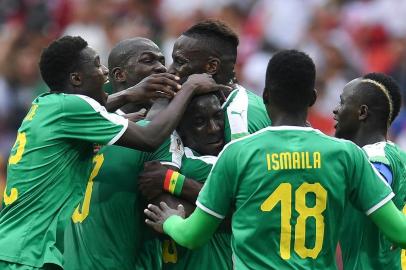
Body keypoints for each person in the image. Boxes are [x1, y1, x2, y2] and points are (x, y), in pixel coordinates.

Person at [144, 50, 406, 269]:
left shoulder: (238, 154)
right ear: (313, 98)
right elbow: (400, 232)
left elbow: (192, 236)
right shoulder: (347, 155)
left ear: (266, 95)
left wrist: (169, 221)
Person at [0, 35, 223, 270]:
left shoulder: (46, 105)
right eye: (97, 64)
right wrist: (188, 87)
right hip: (27, 253)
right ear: (76, 78)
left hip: (21, 247)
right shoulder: (73, 108)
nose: (103, 71)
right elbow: (149, 137)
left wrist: (129, 95)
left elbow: (97, 111)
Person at [62, 37, 184, 270]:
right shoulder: (82, 127)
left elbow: (163, 204)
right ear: (119, 75)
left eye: (162, 61)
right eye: (148, 60)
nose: (160, 67)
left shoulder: (168, 130)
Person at [139, 93, 232, 269]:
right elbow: (243, 210)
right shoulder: (200, 166)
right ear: (179, 127)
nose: (214, 128)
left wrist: (170, 180)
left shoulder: (167, 168)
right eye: (199, 122)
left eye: (218, 117)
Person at [334, 73, 406, 270]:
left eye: (342, 103)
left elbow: (377, 181)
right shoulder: (398, 155)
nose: (335, 110)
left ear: (362, 112)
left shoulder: (373, 158)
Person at [167, 19, 271, 142]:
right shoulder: (236, 101)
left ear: (211, 67)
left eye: (180, 62)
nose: (170, 70)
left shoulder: (238, 122)